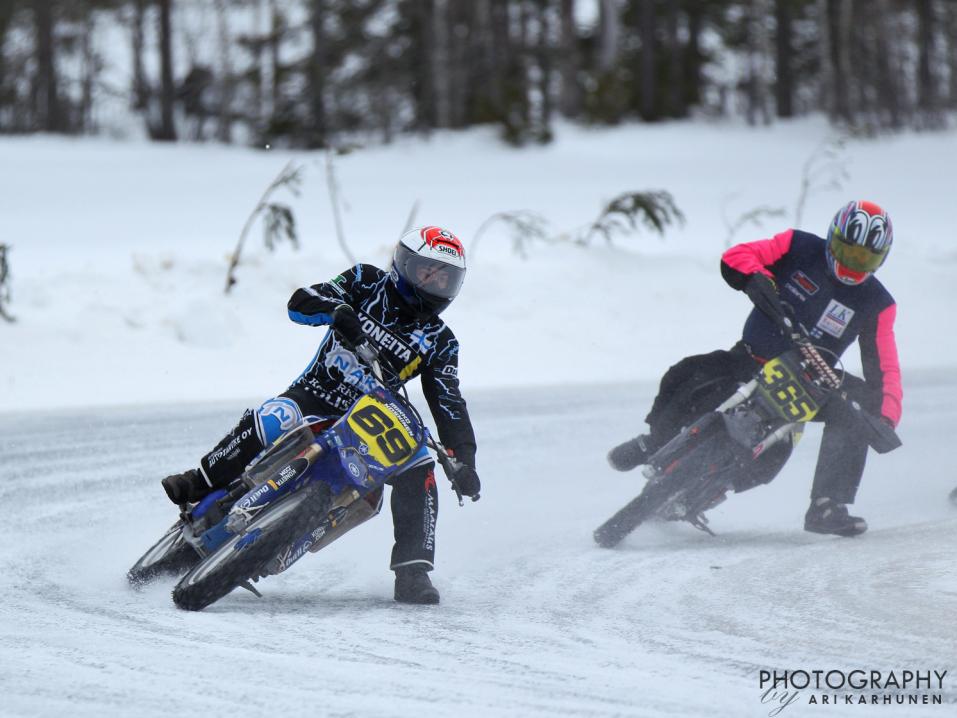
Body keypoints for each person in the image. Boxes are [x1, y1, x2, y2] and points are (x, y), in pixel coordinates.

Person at [161, 226, 481, 604]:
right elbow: (302, 300)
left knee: (421, 466)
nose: (434, 283)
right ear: (404, 264)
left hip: (373, 418)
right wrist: (338, 311)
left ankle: (413, 572)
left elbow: (448, 400)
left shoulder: (441, 341)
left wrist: (464, 460)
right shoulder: (365, 281)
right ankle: (201, 480)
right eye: (427, 271)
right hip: (317, 396)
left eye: (445, 278)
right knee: (273, 416)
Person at [608, 200, 902, 537]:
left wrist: (886, 415)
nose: (852, 264)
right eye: (847, 251)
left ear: (881, 260)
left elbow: (885, 367)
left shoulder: (879, 304)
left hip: (812, 384)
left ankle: (827, 505)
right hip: (750, 359)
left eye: (864, 259)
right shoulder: (797, 246)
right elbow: (739, 255)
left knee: (859, 407)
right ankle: (653, 440)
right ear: (831, 238)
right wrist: (759, 279)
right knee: (686, 373)